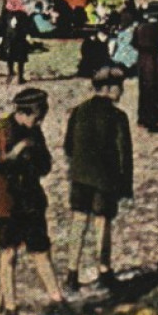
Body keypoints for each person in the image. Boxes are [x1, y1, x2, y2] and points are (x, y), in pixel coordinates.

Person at [0, 88, 68, 315]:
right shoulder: (1, 130)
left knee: (40, 248)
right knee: (8, 252)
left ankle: (57, 299)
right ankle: (11, 309)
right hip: (6, 199)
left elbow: (46, 165)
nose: (39, 122)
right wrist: (19, 151)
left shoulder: (35, 132)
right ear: (24, 112)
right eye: (37, 117)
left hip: (30, 198)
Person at [62, 67, 133, 293]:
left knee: (78, 222)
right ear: (110, 89)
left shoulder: (79, 110)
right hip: (105, 178)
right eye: (120, 87)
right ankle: (104, 271)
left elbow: (67, 145)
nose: (122, 92)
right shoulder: (118, 116)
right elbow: (124, 153)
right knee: (102, 223)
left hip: (80, 175)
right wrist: (125, 185)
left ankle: (72, 274)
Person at [132, 3, 158, 129]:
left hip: (142, 59)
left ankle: (144, 118)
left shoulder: (139, 27)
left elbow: (133, 43)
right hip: (155, 58)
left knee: (145, 88)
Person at [0, 0, 34, 84]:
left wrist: (0, 37)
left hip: (8, 38)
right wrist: (27, 35)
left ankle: (10, 74)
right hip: (19, 38)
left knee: (10, 57)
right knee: (20, 58)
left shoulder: (5, 14)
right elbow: (27, 26)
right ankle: (20, 77)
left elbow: (0, 26)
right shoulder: (23, 14)